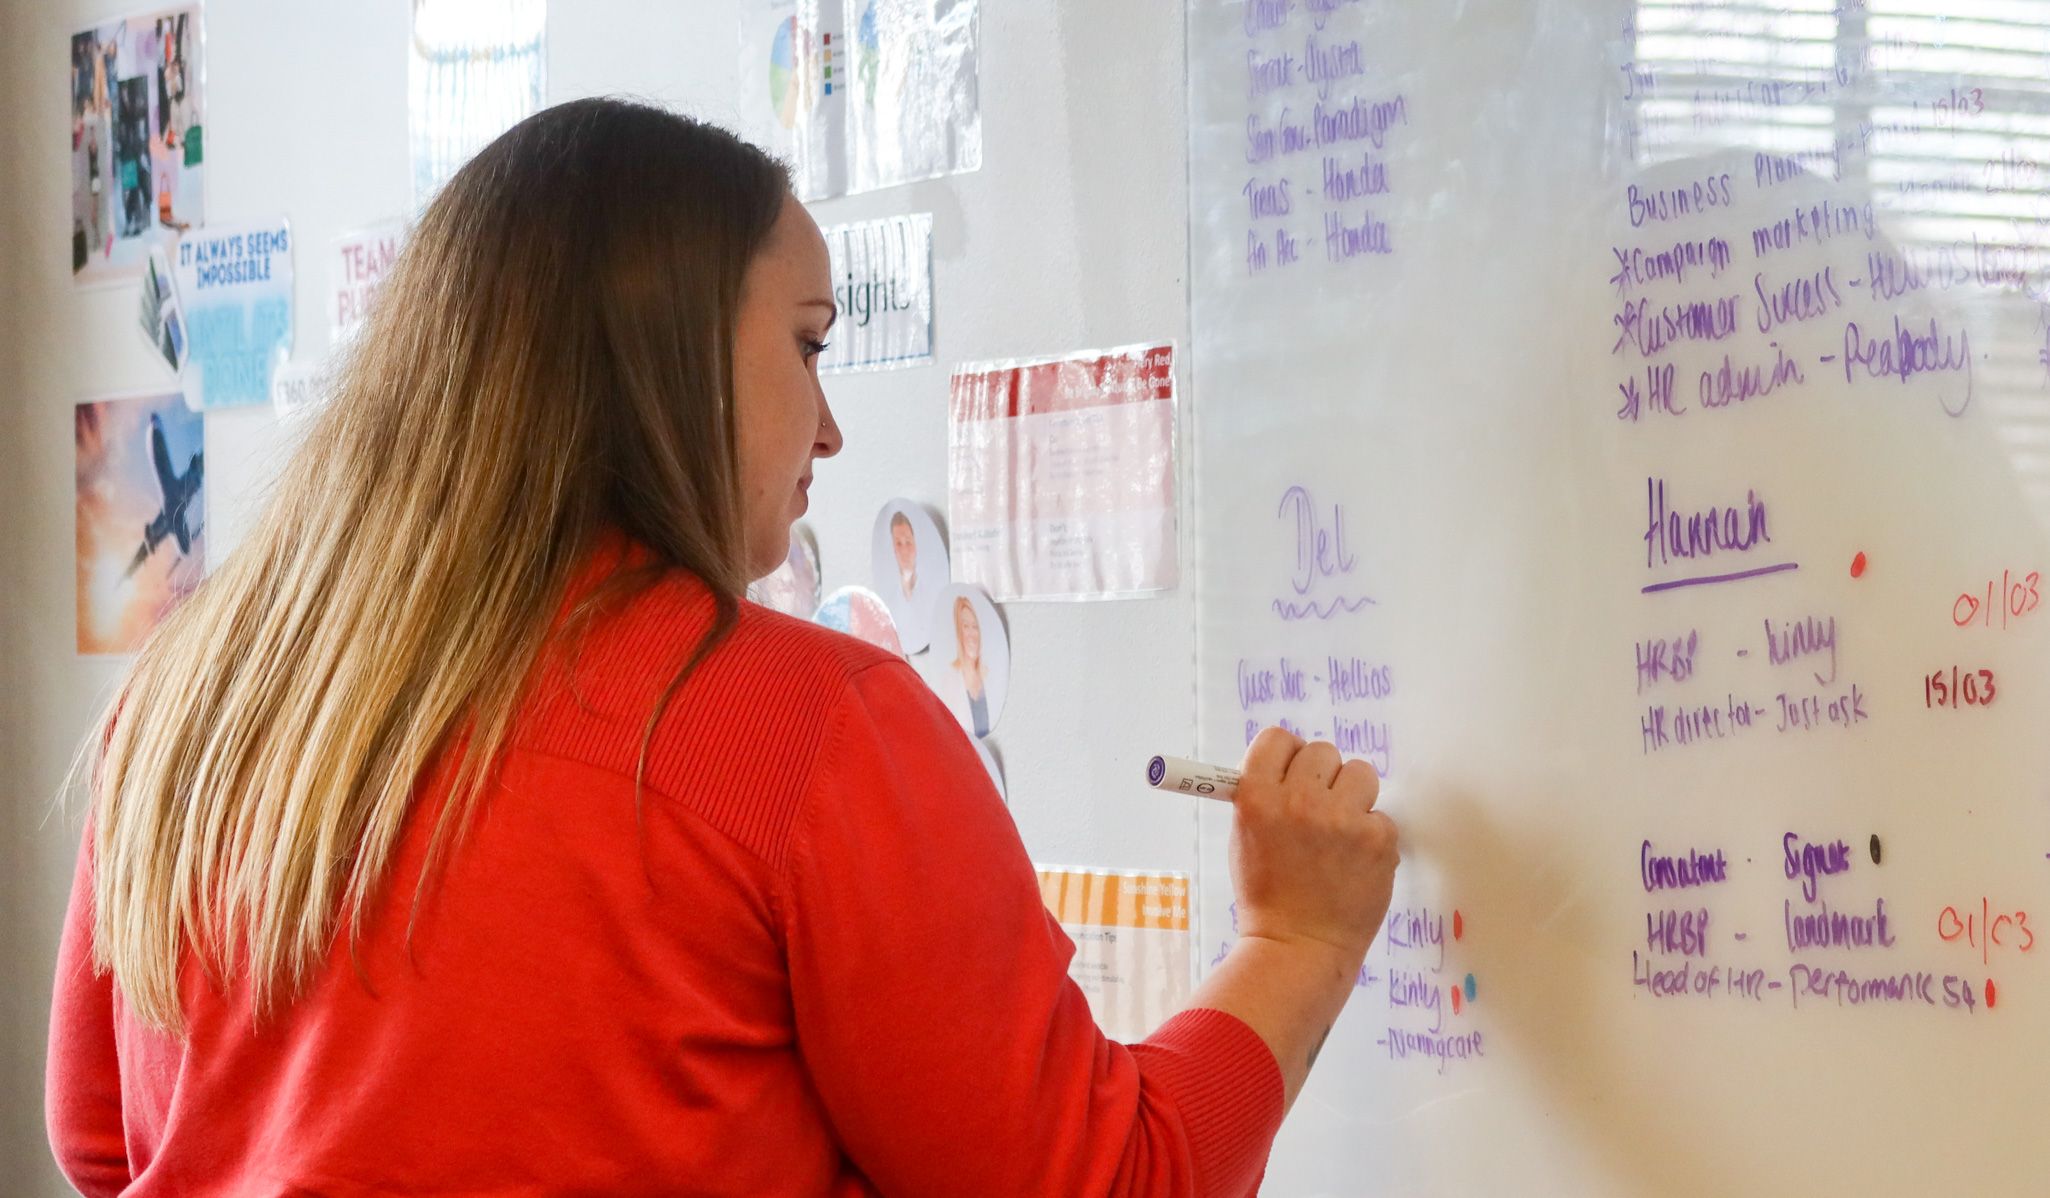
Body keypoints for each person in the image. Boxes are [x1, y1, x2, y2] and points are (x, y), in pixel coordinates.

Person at [47, 97, 1400, 1196]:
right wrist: (1298, 934)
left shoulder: (193, 695)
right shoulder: (804, 723)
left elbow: (110, 1147)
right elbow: (1099, 1182)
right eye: (808, 348)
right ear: (662, 353)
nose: (829, 431)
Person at [938, 594, 994, 737]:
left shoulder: (990, 676)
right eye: (965, 626)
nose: (971, 634)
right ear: (959, 631)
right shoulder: (950, 679)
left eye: (975, 627)